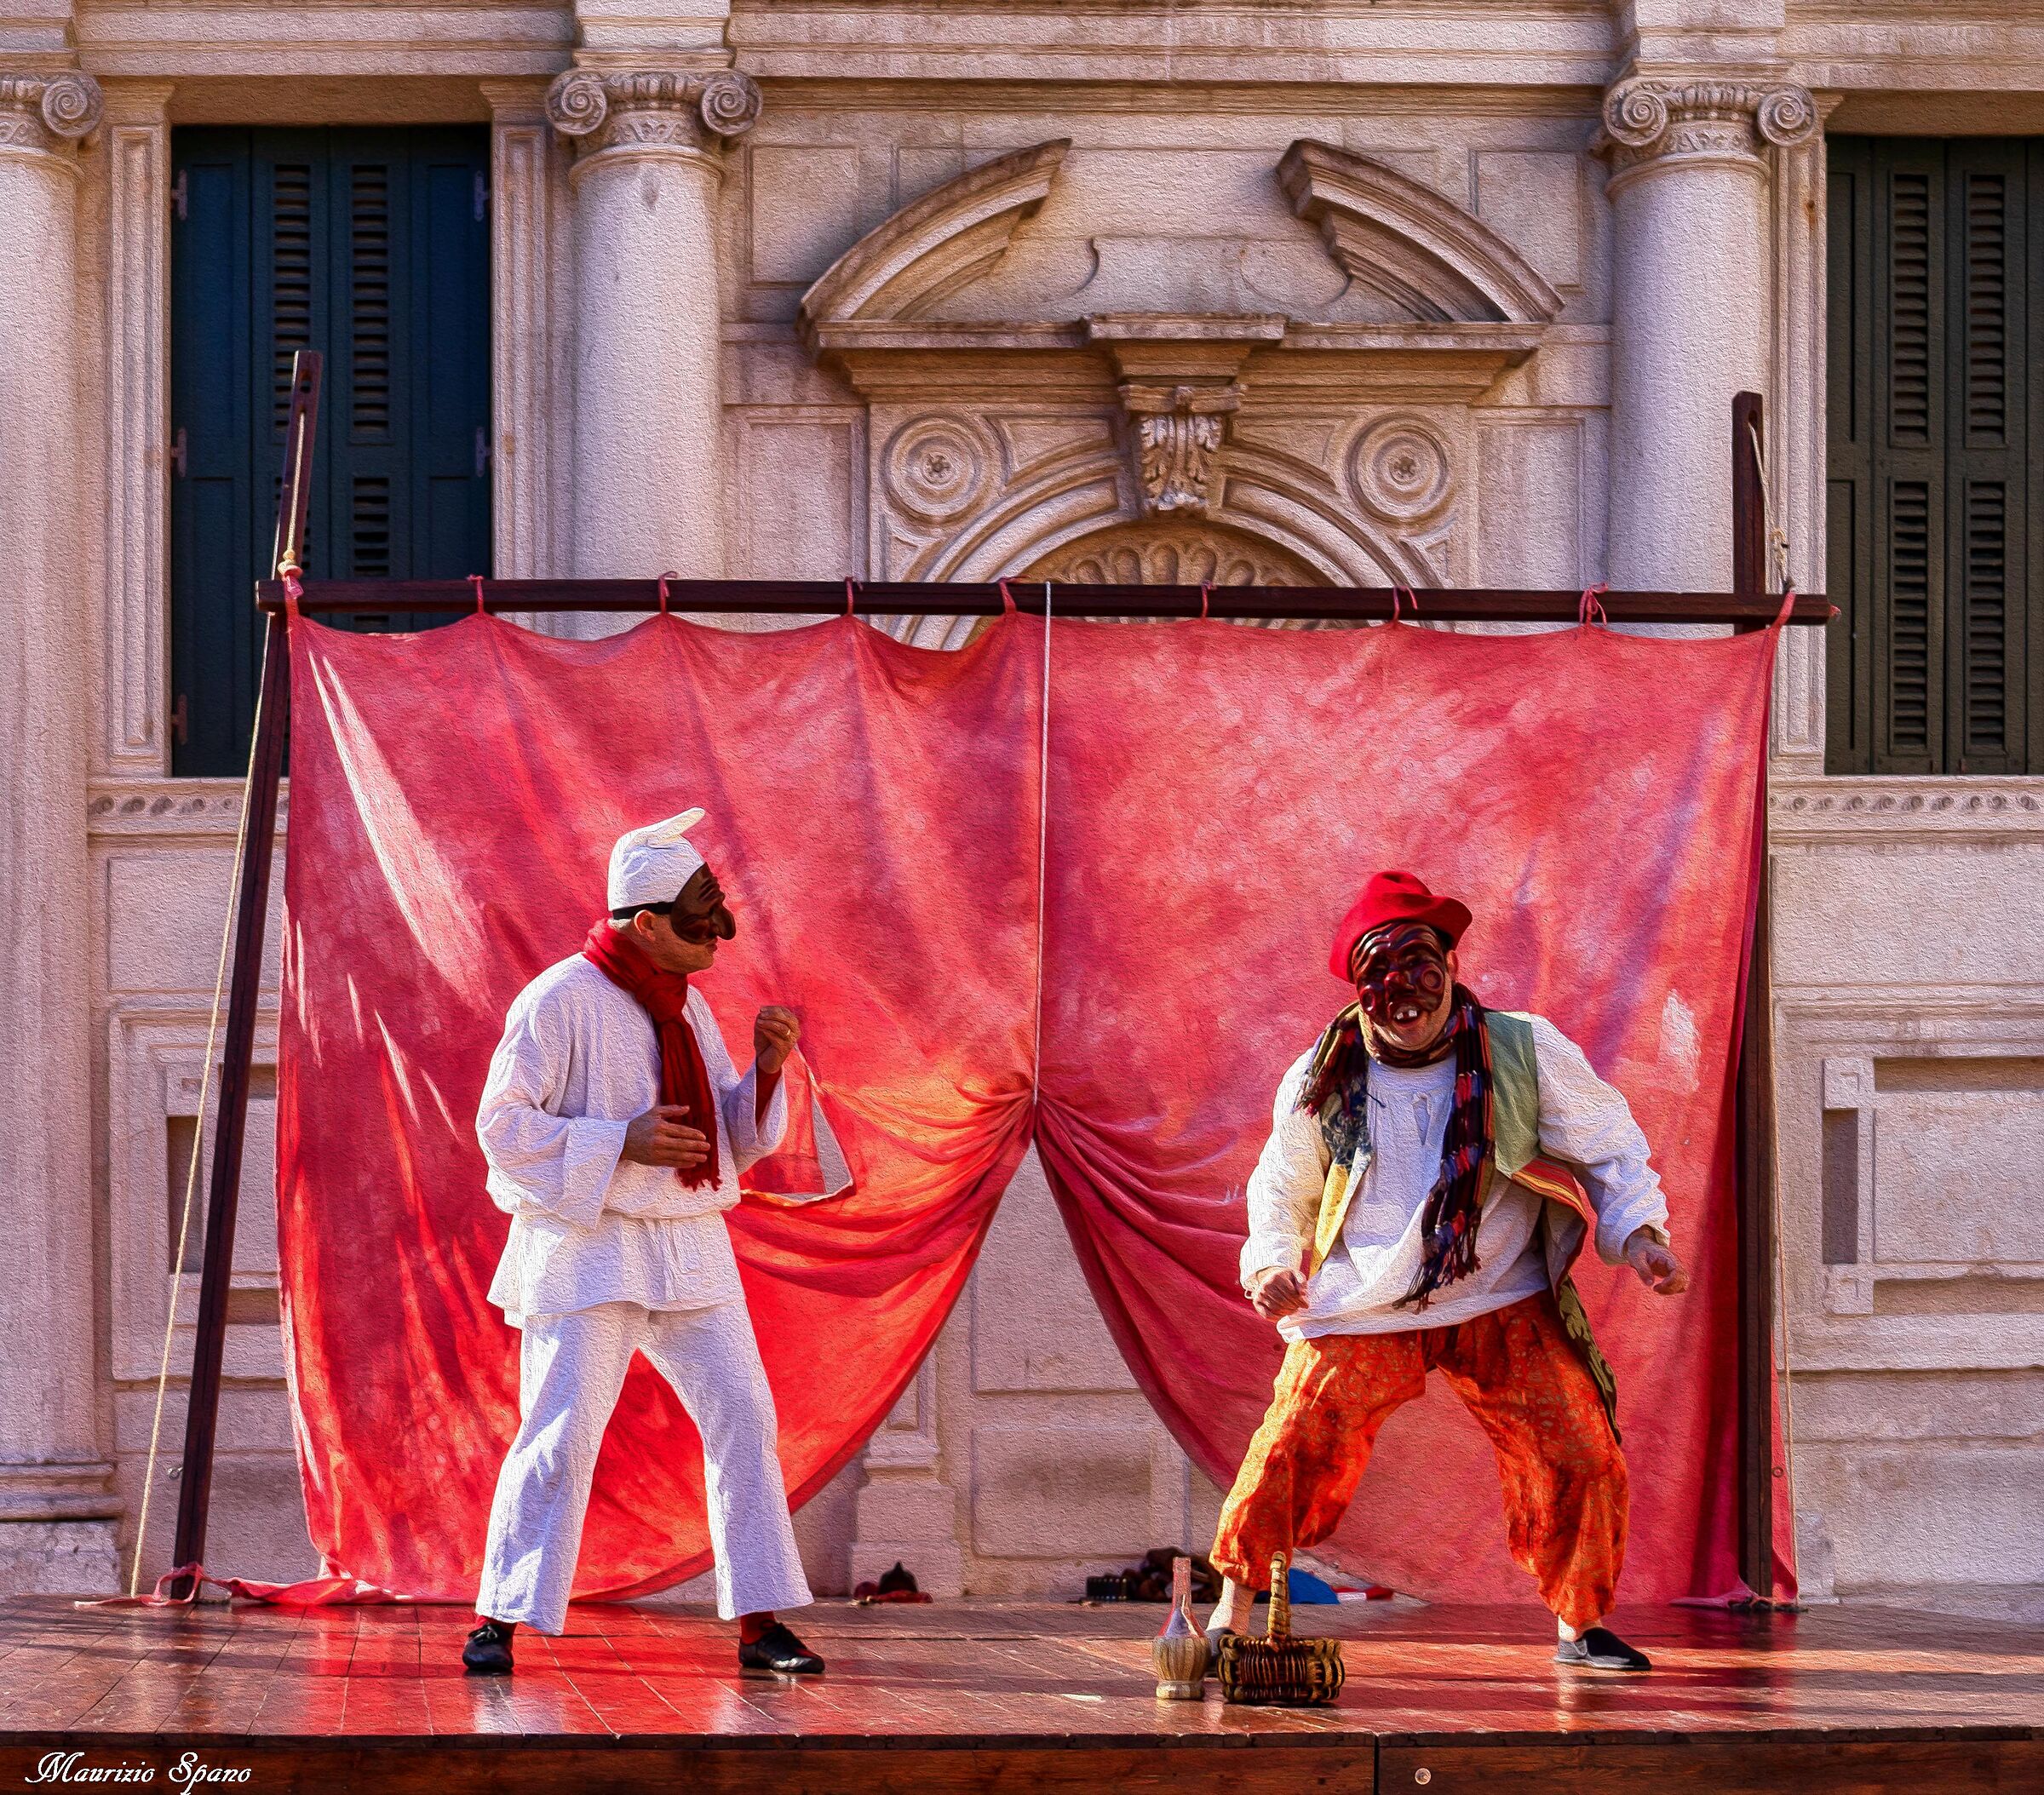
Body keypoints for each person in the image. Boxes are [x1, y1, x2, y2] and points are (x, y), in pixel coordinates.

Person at [1208, 870, 1689, 1673]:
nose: (1405, 995)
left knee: (1579, 1448)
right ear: (1361, 992)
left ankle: (1579, 1626)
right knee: (1293, 1442)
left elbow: (1609, 1143)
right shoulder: (1324, 1074)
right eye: (1382, 979)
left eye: (1420, 970)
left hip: (1500, 1291)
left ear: (1452, 967)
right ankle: (1231, 1612)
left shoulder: (1522, 1050)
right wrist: (1270, 1264)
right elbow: (1281, 1187)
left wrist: (1640, 1233)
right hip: (1367, 1300)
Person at [461, 808, 824, 1678]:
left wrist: (766, 1069)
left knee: (745, 1417)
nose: (715, 942)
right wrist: (618, 1139)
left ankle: (759, 1620)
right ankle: (498, 1616)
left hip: (689, 1246)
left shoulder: (689, 1007)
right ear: (647, 924)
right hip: (588, 1247)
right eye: (698, 926)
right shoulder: (557, 1000)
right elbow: (501, 1127)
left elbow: (724, 1139)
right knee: (559, 1431)